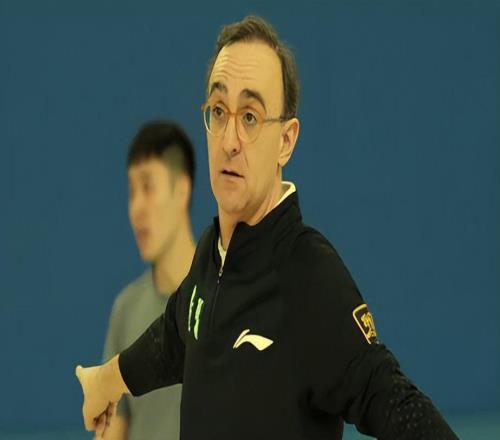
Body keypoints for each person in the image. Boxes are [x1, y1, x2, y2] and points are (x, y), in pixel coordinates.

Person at [76, 16, 458, 439]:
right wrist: (106, 380)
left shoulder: (309, 274)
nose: (229, 140)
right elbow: (175, 338)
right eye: (218, 111)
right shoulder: (209, 256)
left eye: (250, 117)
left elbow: (391, 399)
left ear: (286, 141)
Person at [100, 120, 196, 439]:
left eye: (148, 187)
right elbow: (113, 428)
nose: (136, 208)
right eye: (131, 192)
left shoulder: (226, 297)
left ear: (181, 190)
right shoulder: (125, 310)